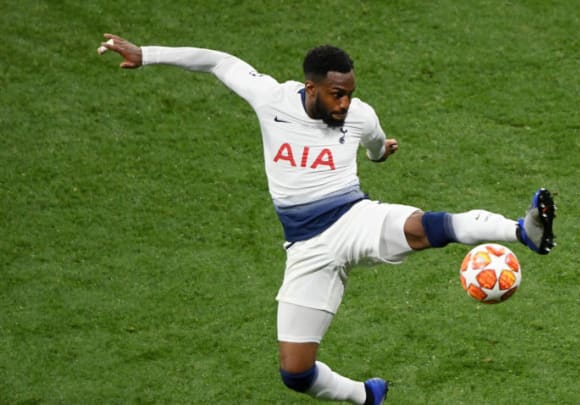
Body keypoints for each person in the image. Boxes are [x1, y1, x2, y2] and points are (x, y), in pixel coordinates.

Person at [98, 33, 556, 405]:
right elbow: (219, 61)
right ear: (311, 88)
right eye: (337, 95)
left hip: (352, 215)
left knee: (424, 226)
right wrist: (148, 55)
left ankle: (522, 230)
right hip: (306, 247)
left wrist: (382, 153)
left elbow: (376, 149)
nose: (345, 105)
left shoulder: (359, 115)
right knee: (295, 373)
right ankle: (365, 396)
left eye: (351, 94)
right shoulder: (271, 98)